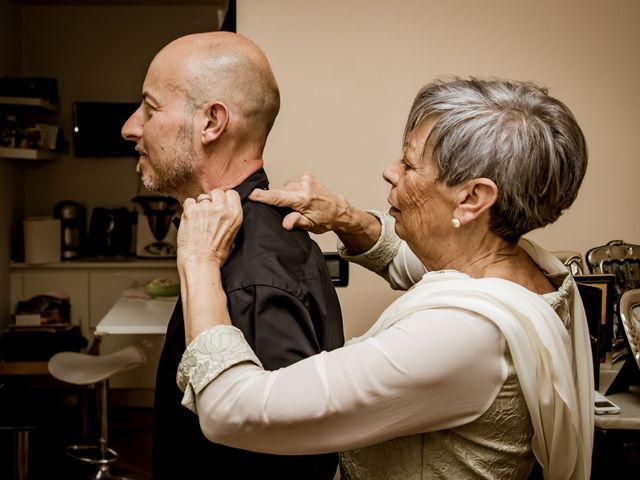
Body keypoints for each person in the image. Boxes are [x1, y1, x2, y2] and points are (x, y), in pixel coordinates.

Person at [174, 77, 594, 479]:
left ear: (472, 199)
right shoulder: (533, 272)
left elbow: (232, 409)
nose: (390, 171)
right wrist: (345, 217)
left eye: (409, 164)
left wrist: (198, 259)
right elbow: (413, 259)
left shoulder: (464, 334)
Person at [120, 31, 344, 480]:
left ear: (211, 123)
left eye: (150, 106)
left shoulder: (255, 272)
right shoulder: (225, 236)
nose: (130, 127)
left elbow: (278, 462)